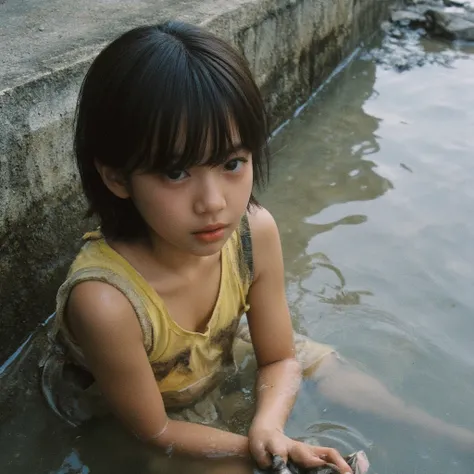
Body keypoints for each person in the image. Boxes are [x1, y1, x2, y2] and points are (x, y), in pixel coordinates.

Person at [40, 21, 473, 474]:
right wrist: (261, 451)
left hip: (218, 351)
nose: (213, 203)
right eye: (175, 173)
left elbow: (280, 356)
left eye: (232, 163)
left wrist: (268, 428)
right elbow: (155, 433)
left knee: (325, 366)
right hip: (149, 404)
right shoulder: (106, 303)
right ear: (116, 178)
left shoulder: (252, 233)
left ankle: (438, 433)